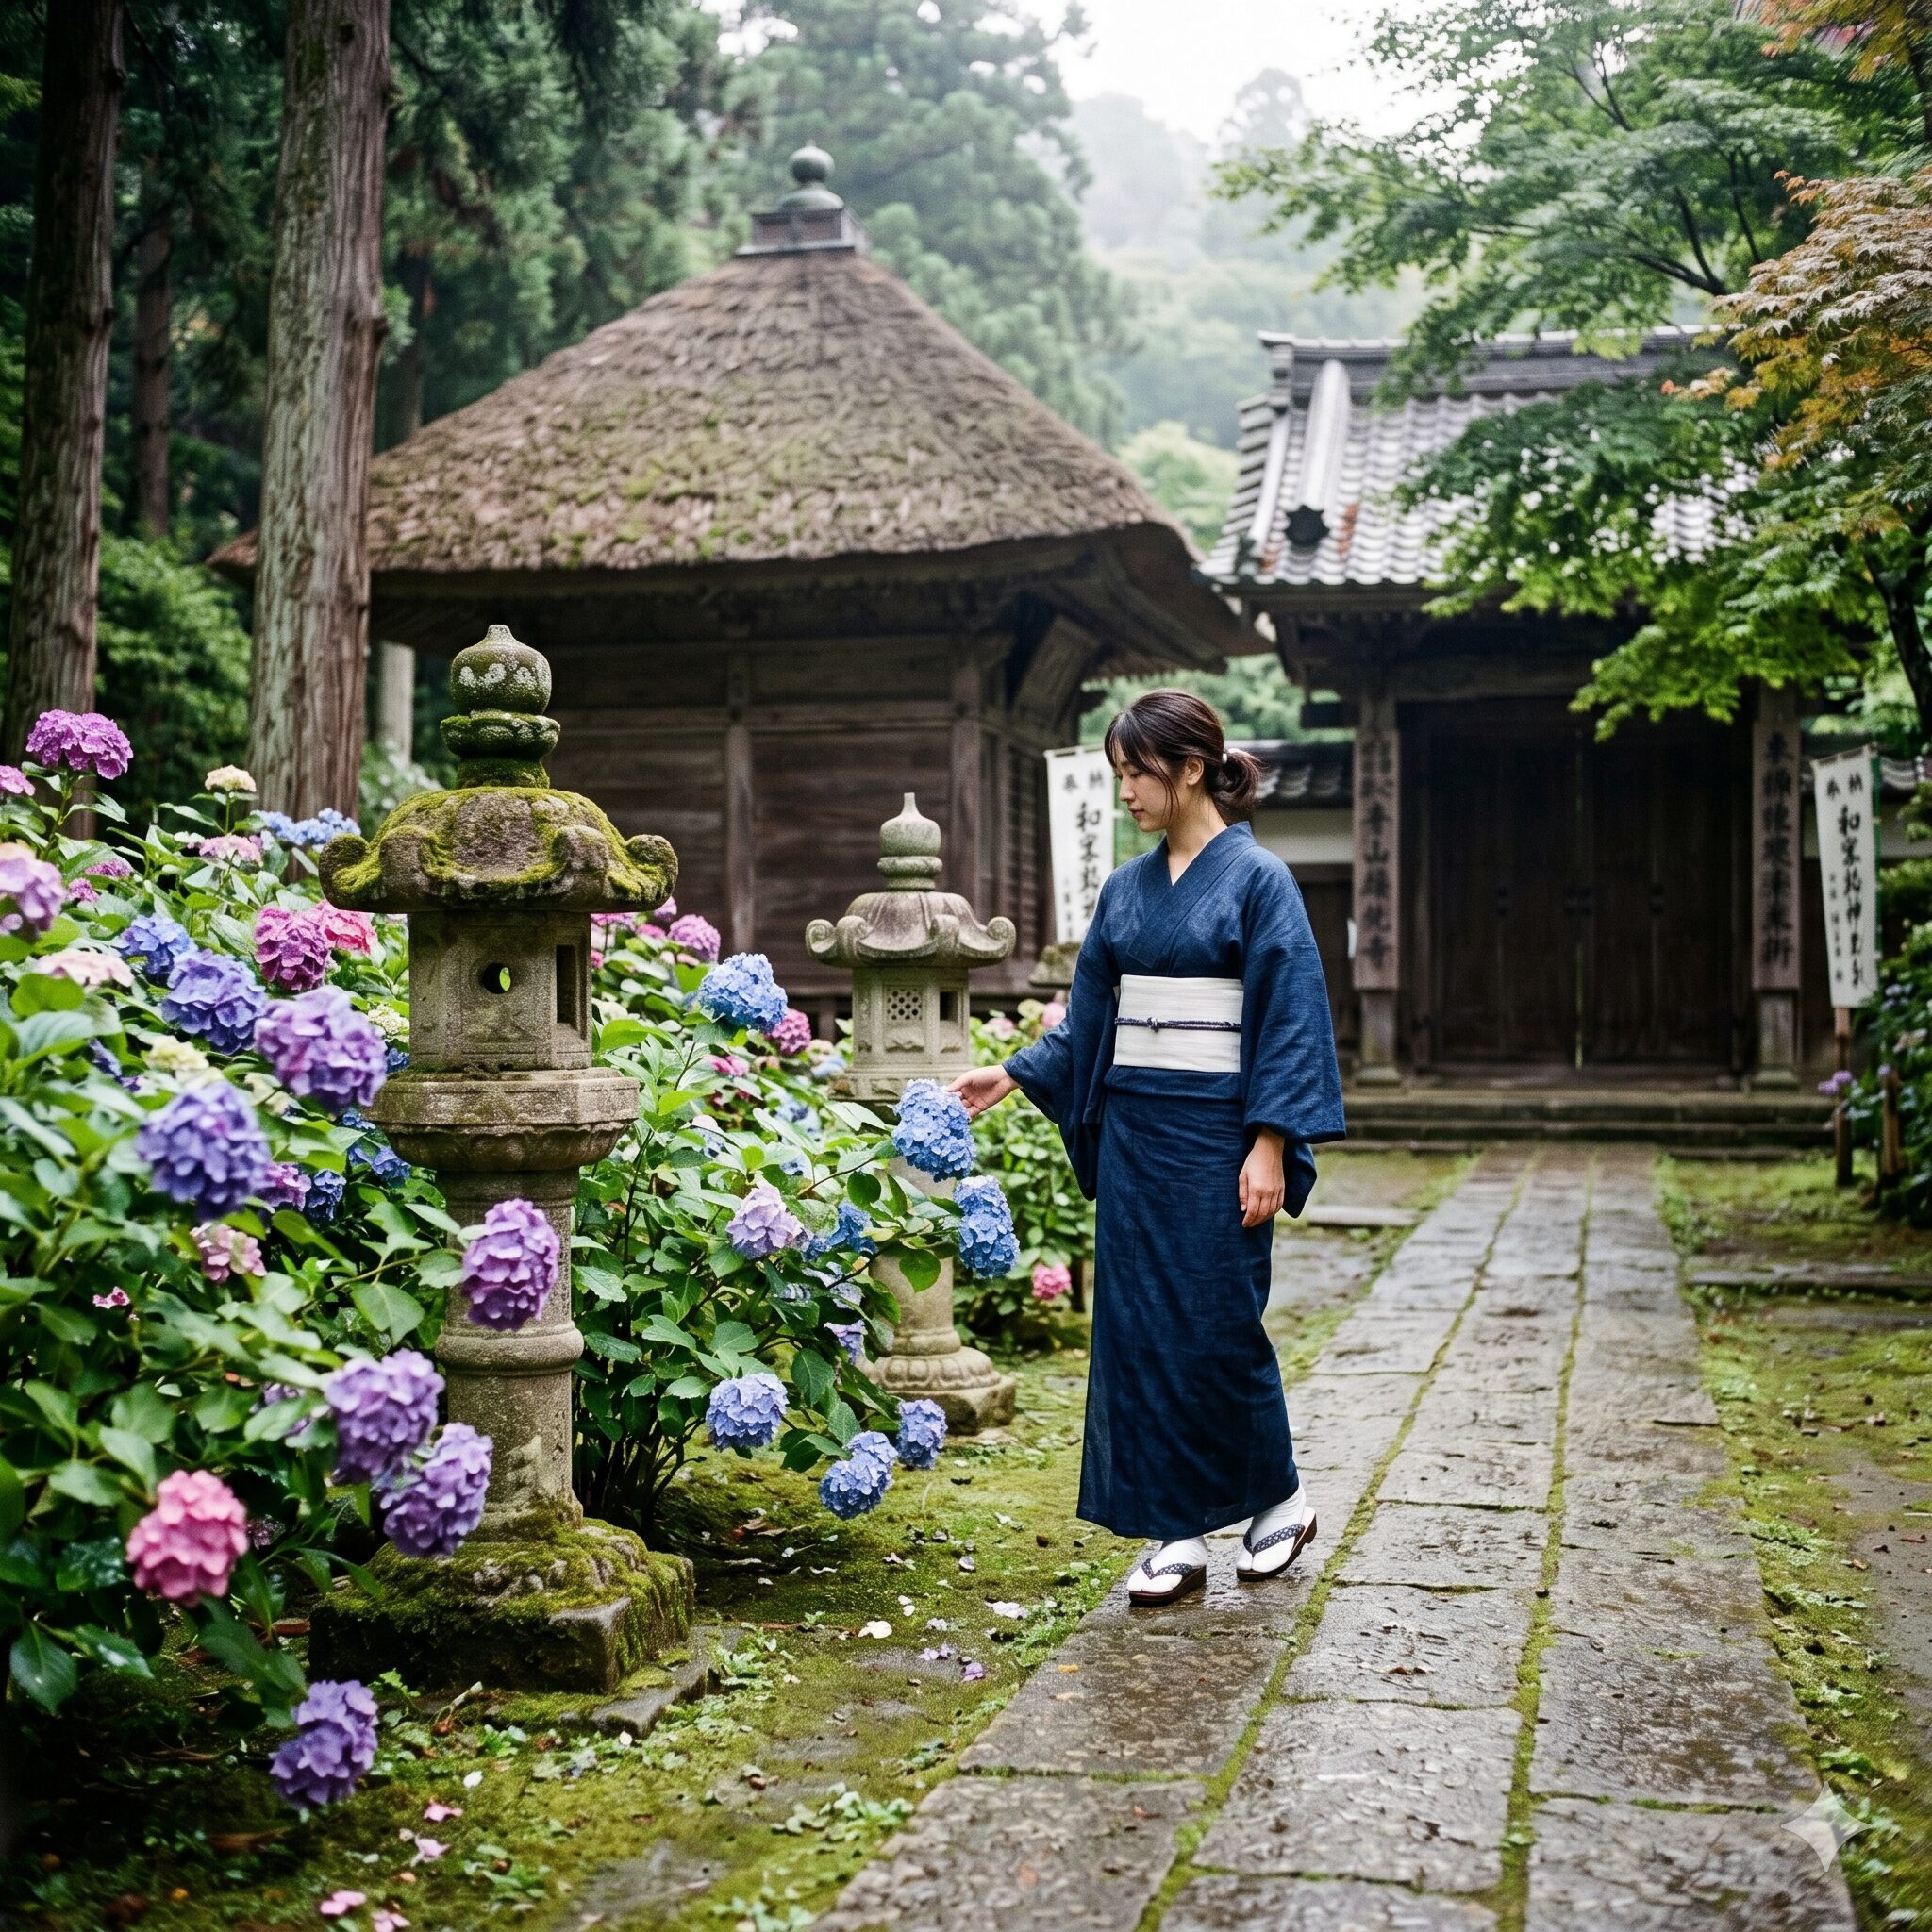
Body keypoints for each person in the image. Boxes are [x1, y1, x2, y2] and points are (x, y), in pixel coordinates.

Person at [949, 690, 1344, 1606]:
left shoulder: (1259, 883)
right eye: (1118, 773)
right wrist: (1008, 1073)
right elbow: (1091, 1020)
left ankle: (1275, 1497)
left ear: (1192, 769)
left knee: (1216, 1321)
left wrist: (1270, 1143)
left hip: (1219, 1137)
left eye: (1137, 771)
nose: (1124, 789)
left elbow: (1287, 1023)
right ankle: (1175, 1528)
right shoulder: (1125, 889)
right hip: (1136, 1137)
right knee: (1137, 1330)